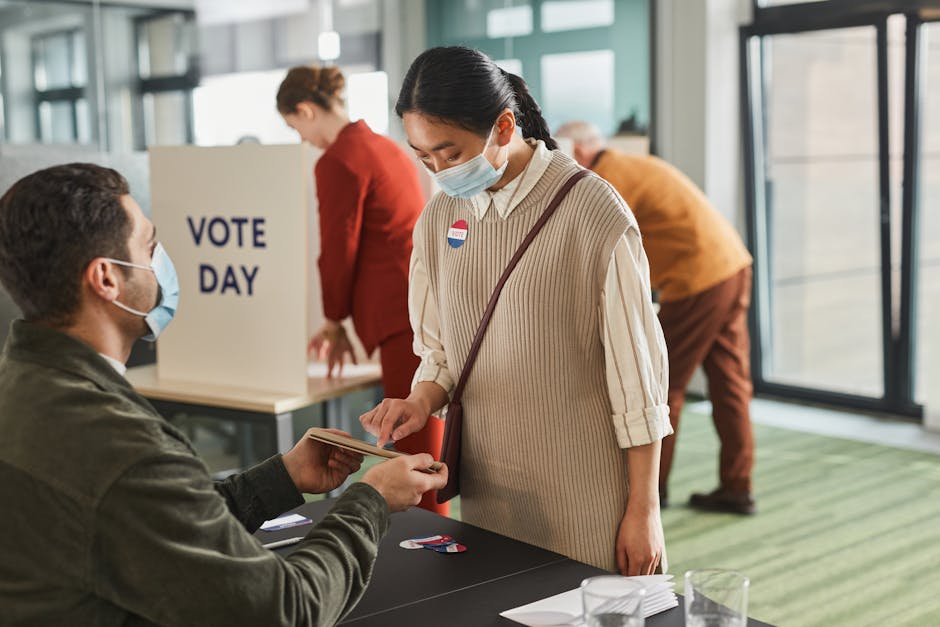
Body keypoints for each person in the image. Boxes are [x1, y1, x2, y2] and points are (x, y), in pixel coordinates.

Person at [0, 163, 447, 626]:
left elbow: (156, 521)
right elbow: (284, 611)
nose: (161, 262)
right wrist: (369, 499)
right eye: (150, 246)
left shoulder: (26, 383)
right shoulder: (115, 444)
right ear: (107, 279)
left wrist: (282, 478)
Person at [360, 47, 672, 575]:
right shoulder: (439, 219)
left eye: (450, 153)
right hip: (491, 498)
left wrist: (644, 509)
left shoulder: (593, 212)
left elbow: (638, 383)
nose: (439, 171)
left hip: (588, 495)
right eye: (423, 157)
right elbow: (441, 352)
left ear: (504, 127)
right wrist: (419, 400)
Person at [555, 120, 756, 515]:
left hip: (697, 276)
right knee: (730, 382)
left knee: (661, 384)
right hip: (731, 265)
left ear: (576, 151)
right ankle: (737, 487)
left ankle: (652, 491)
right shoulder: (630, 166)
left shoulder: (606, 180)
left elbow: (591, 245)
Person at [277, 65, 447, 515]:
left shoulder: (338, 160)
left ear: (307, 110)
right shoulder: (383, 147)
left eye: (296, 127)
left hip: (397, 314)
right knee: (425, 445)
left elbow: (338, 249)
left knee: (417, 460)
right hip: (421, 304)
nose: (302, 139)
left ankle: (433, 556)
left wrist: (333, 320)